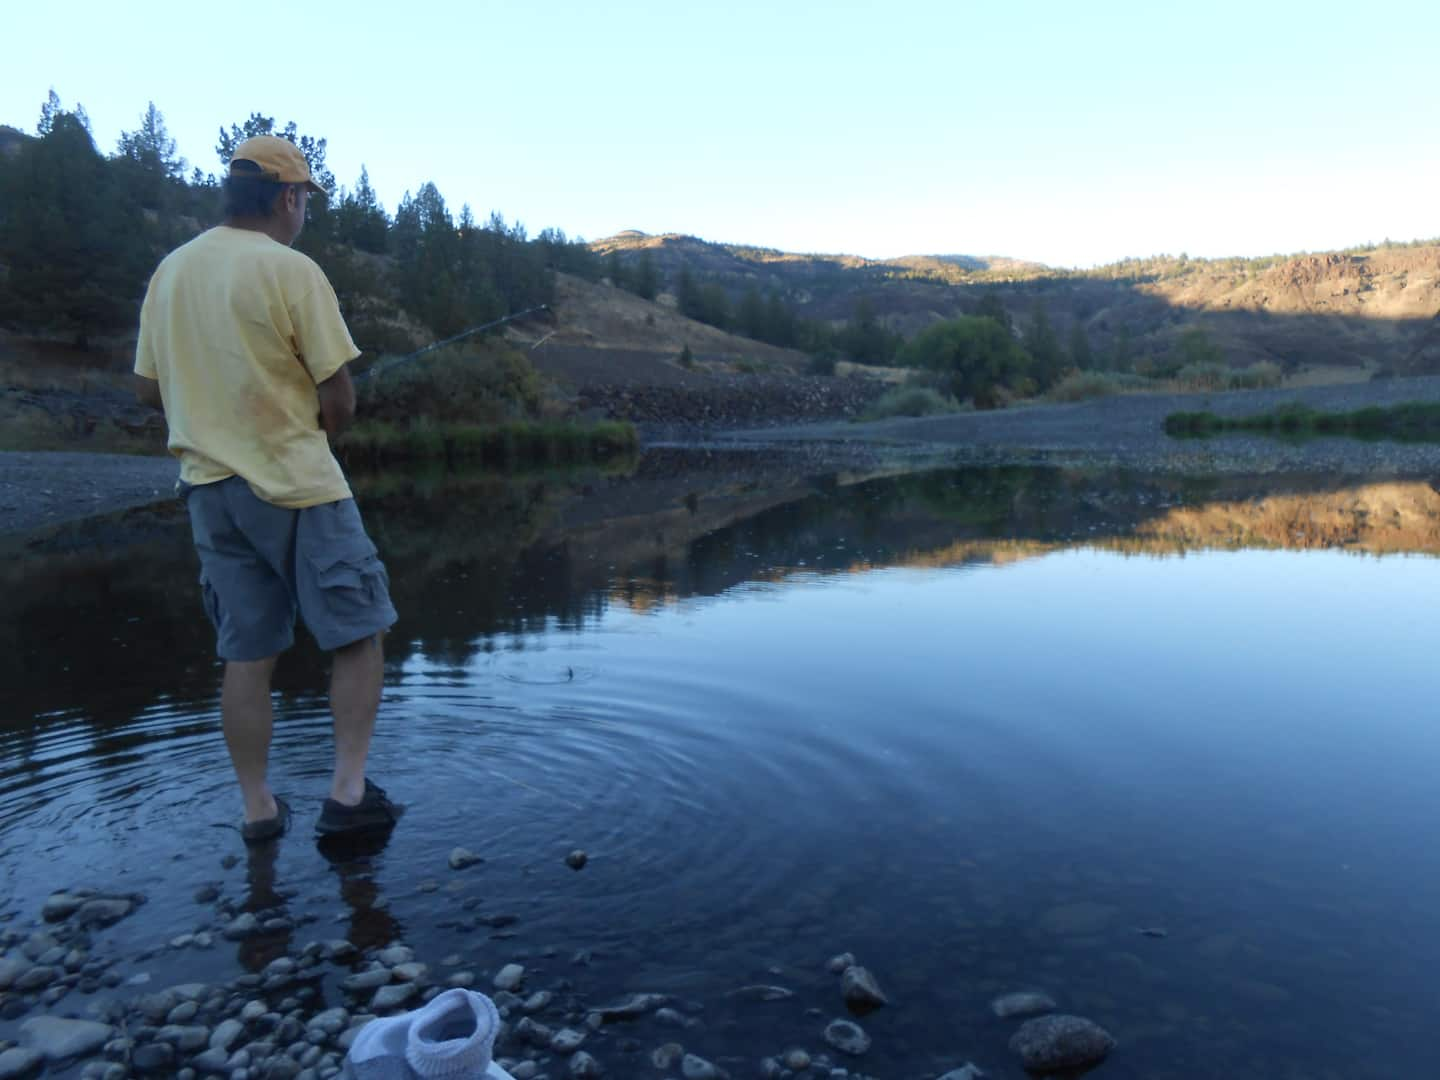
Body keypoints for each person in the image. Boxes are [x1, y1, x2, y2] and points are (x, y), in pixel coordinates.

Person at [134, 135, 400, 843]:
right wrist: (299, 424)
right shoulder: (291, 270)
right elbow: (337, 401)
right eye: (305, 197)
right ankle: (348, 795)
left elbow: (144, 387)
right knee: (357, 632)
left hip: (208, 492)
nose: (305, 209)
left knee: (246, 652)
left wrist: (213, 415)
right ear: (288, 196)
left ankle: (258, 809)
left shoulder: (172, 271)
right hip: (298, 486)